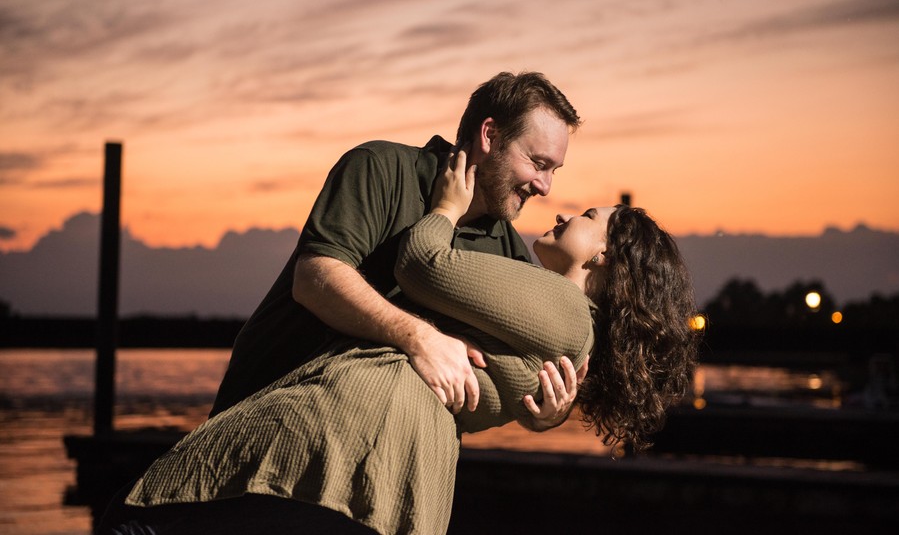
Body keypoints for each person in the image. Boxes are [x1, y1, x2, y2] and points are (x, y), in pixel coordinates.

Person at [98, 150, 700, 535]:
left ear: (602, 257)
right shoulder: (557, 336)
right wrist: (542, 417)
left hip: (348, 417)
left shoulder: (564, 311)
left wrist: (446, 207)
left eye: (589, 216)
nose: (566, 212)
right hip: (397, 468)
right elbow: (483, 388)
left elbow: (422, 263)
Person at [209, 71, 584, 430]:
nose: (546, 186)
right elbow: (313, 278)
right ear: (490, 135)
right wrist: (420, 339)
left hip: (370, 444)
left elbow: (500, 368)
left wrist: (544, 413)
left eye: (554, 170)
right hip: (261, 412)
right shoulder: (380, 168)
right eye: (538, 164)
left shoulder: (508, 250)